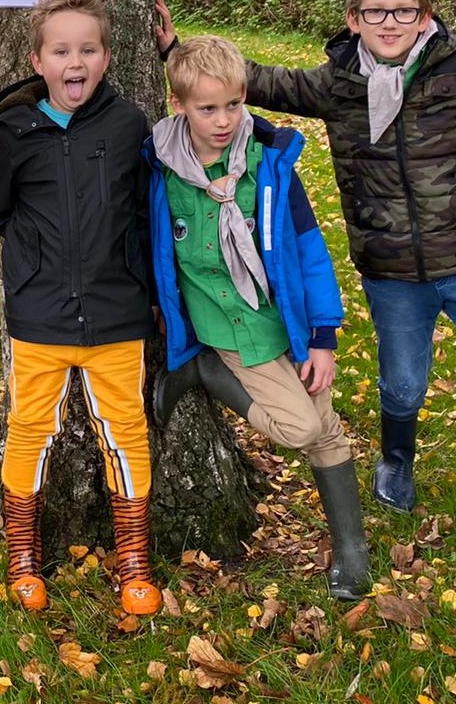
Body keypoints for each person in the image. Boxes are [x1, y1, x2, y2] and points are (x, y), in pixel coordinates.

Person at [154, 0, 456, 592]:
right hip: (391, 272)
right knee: (401, 386)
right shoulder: (338, 82)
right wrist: (176, 47)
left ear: (424, 15)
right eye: (376, 11)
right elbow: (254, 84)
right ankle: (396, 461)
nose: (390, 22)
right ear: (354, 19)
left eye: (404, 10)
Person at [144, 35, 369, 600]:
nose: (223, 121)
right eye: (207, 108)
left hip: (281, 323)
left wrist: (321, 337)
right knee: (301, 428)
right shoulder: (159, 172)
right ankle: (202, 372)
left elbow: (310, 253)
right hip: (228, 332)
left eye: (234, 105)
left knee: (327, 430)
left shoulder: (268, 169)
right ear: (179, 107)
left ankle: (351, 549)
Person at [0, 0, 160, 615]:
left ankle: (134, 555)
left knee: (126, 431)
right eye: (61, 50)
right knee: (30, 428)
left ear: (106, 57)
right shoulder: (14, 131)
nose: (74, 62)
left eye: (87, 49)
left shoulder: (129, 123)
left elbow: (142, 211)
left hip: (117, 312)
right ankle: (24, 553)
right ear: (38, 60)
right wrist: (34, 264)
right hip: (42, 313)